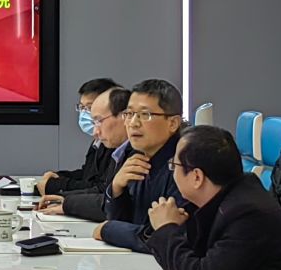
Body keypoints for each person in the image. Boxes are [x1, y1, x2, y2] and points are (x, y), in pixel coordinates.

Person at [144, 125, 281, 270]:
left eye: (174, 165)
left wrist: (167, 229)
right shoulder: (216, 199)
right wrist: (171, 230)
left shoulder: (248, 214)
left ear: (197, 177)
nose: (172, 172)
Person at [97, 78, 186, 251]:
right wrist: (116, 189)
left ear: (173, 123)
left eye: (145, 115)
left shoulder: (183, 165)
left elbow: (162, 236)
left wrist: (107, 230)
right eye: (129, 114)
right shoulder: (138, 157)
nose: (133, 123)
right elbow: (125, 222)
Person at [38, 85, 129, 223]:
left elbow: (106, 197)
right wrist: (63, 192)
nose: (96, 131)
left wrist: (63, 195)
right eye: (82, 108)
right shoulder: (118, 150)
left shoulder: (132, 154)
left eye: (98, 120)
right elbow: (91, 179)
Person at [39, 76, 119, 197]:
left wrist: (57, 185)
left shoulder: (115, 144)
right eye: (81, 107)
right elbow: (87, 175)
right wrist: (58, 176)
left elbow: (101, 189)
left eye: (89, 107)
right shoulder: (99, 141)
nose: (84, 113)